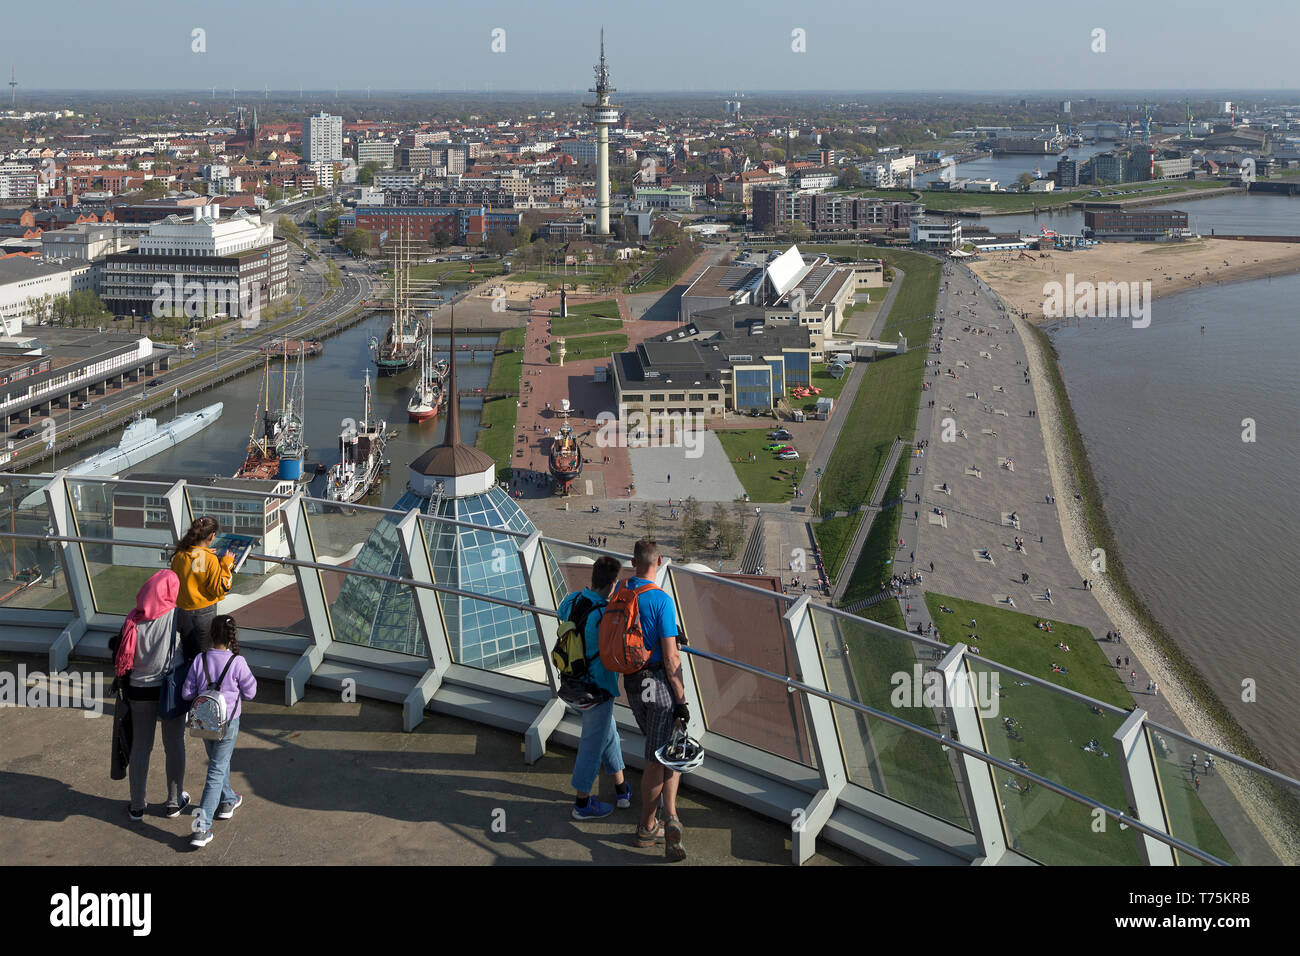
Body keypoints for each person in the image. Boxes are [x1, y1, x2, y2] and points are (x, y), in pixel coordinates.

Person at [622, 540, 689, 861]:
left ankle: (669, 815)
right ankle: (647, 825)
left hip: (632, 681)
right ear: (659, 562)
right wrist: (681, 700)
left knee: (666, 747)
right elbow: (671, 656)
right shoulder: (661, 600)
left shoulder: (622, 592)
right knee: (656, 757)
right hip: (658, 685)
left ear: (634, 562)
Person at [558, 556, 631, 819]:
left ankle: (622, 787)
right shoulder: (604, 615)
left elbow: (562, 619)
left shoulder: (572, 601)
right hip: (598, 690)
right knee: (592, 745)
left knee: (606, 731)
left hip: (571, 685)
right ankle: (582, 803)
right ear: (612, 585)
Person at [114, 569, 189, 821]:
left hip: (138, 691)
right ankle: (173, 801)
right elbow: (193, 651)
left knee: (141, 747)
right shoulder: (179, 617)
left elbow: (122, 657)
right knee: (174, 743)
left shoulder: (133, 618)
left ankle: (137, 805)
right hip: (170, 691)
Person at [183, 615, 257, 849]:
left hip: (204, 721)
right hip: (228, 722)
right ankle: (200, 828)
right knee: (215, 770)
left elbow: (187, 693)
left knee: (217, 762)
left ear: (211, 635)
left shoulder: (199, 659)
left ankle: (228, 800)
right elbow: (251, 692)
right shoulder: (238, 662)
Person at [170, 516, 235, 662]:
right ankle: (202, 681)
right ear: (212, 536)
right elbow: (220, 588)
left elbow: (194, 568)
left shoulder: (180, 555)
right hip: (204, 612)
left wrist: (204, 553)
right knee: (205, 653)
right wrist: (226, 565)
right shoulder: (209, 559)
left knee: (188, 651)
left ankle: (188, 679)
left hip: (182, 610)